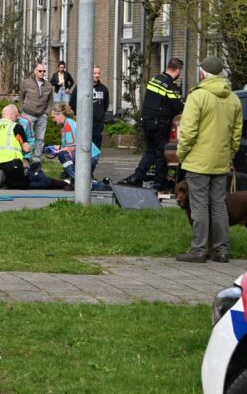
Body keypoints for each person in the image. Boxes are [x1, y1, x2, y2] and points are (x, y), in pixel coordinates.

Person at [174, 56, 243, 263]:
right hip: (221, 161)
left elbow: (188, 131)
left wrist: (181, 153)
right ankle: (221, 251)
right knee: (219, 205)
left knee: (199, 205)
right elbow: (236, 134)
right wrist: (229, 155)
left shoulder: (198, 96)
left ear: (203, 73)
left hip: (198, 161)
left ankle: (198, 250)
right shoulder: (233, 98)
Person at [123, 58, 184, 188]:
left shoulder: (154, 80)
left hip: (147, 121)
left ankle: (137, 177)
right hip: (160, 124)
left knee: (150, 151)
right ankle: (158, 183)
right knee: (161, 154)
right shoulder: (171, 86)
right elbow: (178, 107)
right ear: (178, 70)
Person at [48, 103, 101, 183]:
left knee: (63, 155)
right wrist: (52, 148)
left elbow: (71, 148)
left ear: (61, 115)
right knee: (63, 153)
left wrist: (57, 152)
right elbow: (68, 145)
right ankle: (78, 181)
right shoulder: (69, 123)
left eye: (54, 117)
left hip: (89, 156)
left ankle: (78, 181)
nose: (53, 120)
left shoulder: (68, 125)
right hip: (90, 154)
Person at [0, 105, 30, 189]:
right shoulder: (16, 126)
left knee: (13, 177)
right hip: (12, 164)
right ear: (11, 114)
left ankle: (4, 178)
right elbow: (26, 149)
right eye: (16, 115)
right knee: (26, 183)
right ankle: (6, 181)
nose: (18, 118)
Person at [70, 66, 111, 150]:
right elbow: (72, 103)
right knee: (84, 144)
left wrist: (101, 114)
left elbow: (105, 104)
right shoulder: (80, 87)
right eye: (94, 73)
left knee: (96, 144)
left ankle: (94, 161)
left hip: (98, 122)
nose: (97, 75)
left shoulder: (104, 89)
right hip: (84, 122)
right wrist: (75, 116)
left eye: (98, 73)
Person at [18, 62, 53, 158]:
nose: (42, 72)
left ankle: (37, 157)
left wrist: (46, 113)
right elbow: (21, 97)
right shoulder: (26, 82)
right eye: (40, 71)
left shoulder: (48, 86)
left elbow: (50, 102)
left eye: (44, 71)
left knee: (40, 138)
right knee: (26, 136)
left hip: (42, 115)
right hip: (28, 114)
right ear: (35, 71)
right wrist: (21, 111)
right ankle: (25, 156)